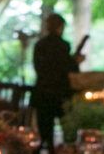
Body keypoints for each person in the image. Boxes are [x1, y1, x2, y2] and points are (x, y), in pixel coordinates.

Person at [31, 12, 80, 142]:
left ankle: (48, 150)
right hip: (59, 92)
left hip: (42, 91)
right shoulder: (63, 45)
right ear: (61, 27)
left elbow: (38, 68)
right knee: (66, 125)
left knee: (45, 128)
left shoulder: (40, 45)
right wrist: (75, 62)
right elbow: (66, 69)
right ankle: (63, 152)